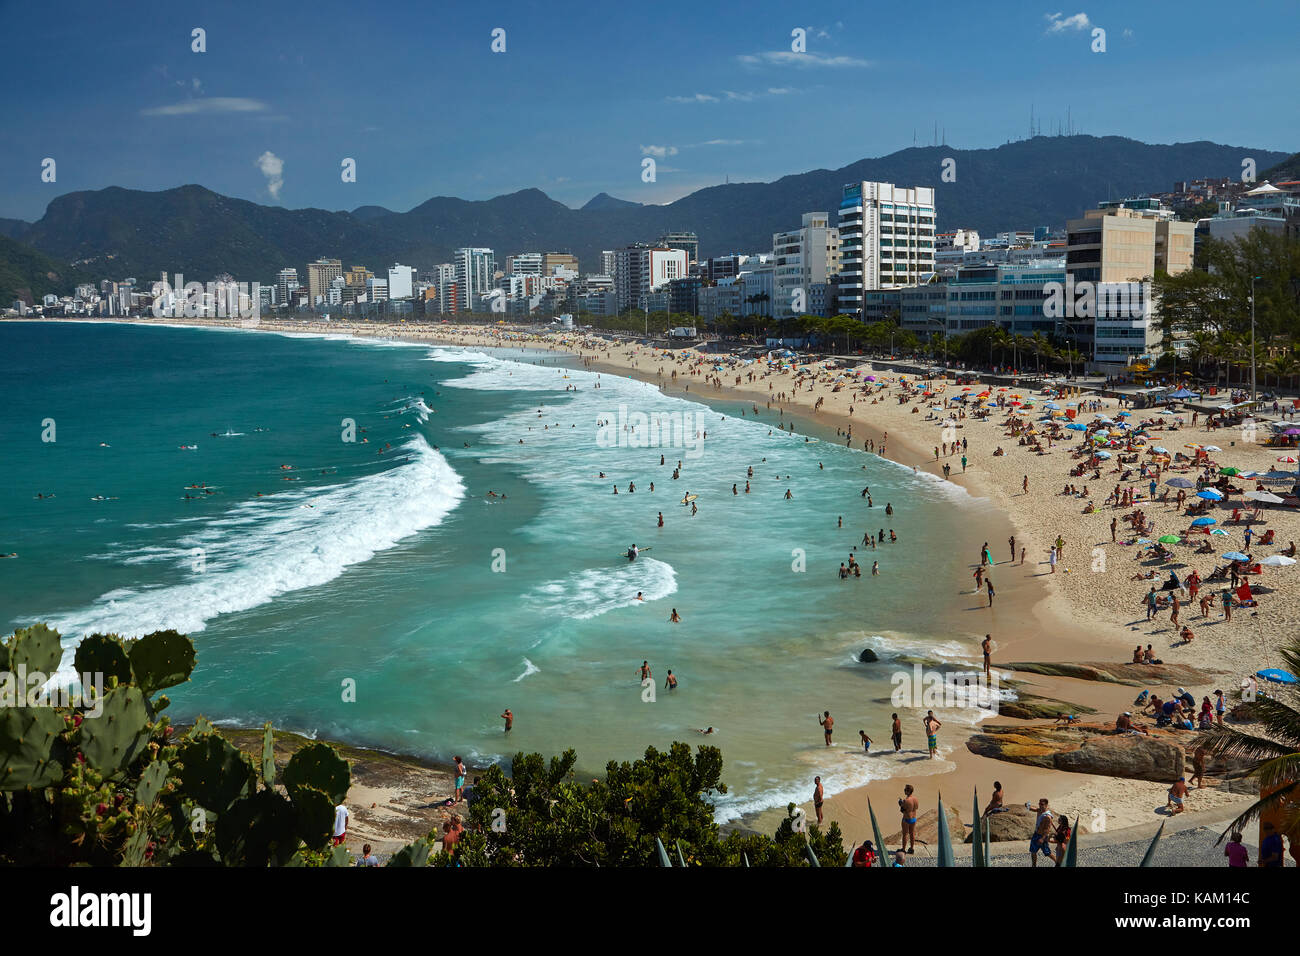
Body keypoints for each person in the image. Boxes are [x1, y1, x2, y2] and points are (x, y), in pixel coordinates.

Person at [1029, 798, 1054, 867]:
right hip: (1036, 834)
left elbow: (1047, 829)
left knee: (1047, 852)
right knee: (1033, 851)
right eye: (1039, 804)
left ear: (1046, 805)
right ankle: (1034, 865)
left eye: (1042, 804)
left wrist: (1042, 839)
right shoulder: (1040, 810)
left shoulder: (1047, 816)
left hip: (1042, 836)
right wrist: (1028, 806)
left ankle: (1058, 863)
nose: (1040, 806)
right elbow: (1034, 809)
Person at [899, 784, 918, 854]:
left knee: (905, 834)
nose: (904, 790)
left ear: (908, 791)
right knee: (912, 833)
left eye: (905, 790)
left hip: (906, 819)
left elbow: (902, 811)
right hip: (914, 819)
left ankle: (903, 849)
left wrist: (901, 804)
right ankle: (912, 848)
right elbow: (916, 808)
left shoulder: (906, 800)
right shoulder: (915, 799)